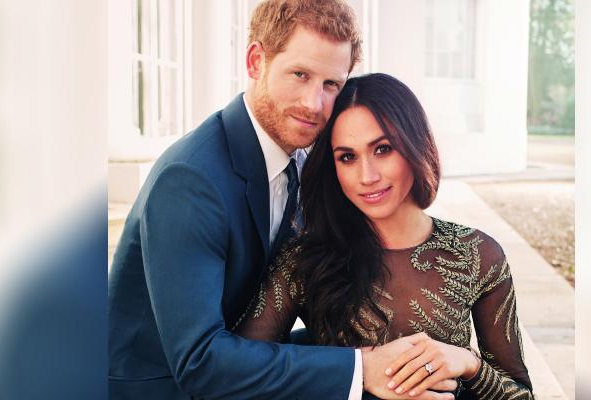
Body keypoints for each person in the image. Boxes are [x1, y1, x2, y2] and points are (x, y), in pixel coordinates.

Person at [109, 1, 455, 399]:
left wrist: (408, 347)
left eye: (331, 85)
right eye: (300, 75)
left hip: (242, 362)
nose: (314, 104)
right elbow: (200, 362)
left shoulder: (303, 159)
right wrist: (361, 369)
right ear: (256, 62)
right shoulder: (191, 180)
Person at [235, 73, 534, 400]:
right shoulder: (305, 259)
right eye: (347, 157)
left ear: (414, 145)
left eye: (383, 149)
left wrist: (468, 363)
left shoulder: (477, 255)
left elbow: (521, 395)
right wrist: (357, 371)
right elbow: (241, 370)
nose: (367, 176)